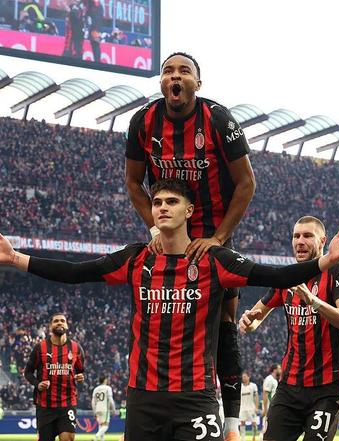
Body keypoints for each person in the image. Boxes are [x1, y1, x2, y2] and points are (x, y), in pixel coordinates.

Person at [0, 178, 339, 441]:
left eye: (171, 201)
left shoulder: (213, 260)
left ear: (189, 210)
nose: (162, 207)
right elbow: (75, 272)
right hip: (144, 397)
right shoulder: (135, 258)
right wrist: (15, 258)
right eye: (157, 202)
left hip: (196, 397)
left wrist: (325, 261)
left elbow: (274, 275)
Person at [125, 51, 256, 440]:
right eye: (168, 71)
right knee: (153, 311)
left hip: (212, 236)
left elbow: (246, 183)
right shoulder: (143, 121)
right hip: (168, 234)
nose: (175, 76)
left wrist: (218, 238)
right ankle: (150, 402)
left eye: (184, 71)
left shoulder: (218, 119)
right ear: (161, 82)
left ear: (198, 83)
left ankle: (230, 422)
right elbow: (133, 181)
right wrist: (154, 228)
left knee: (225, 320)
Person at [240, 216, 339, 441]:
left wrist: (313, 301)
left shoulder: (337, 272)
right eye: (296, 236)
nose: (300, 241)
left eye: (307, 236)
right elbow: (256, 317)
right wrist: (248, 321)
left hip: (328, 388)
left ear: (322, 240)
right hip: (290, 386)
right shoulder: (288, 276)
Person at [23, 313, 86, 441]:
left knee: (68, 438)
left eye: (62, 321)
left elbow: (80, 371)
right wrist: (38, 384)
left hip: (67, 402)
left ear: (67, 325)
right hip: (45, 405)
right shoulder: (40, 348)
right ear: (50, 326)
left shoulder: (76, 348)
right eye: (56, 321)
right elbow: (28, 372)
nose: (59, 323)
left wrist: (80, 377)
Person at [92, 375, 116, 441]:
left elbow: (93, 402)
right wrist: (113, 409)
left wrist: (94, 411)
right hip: (105, 409)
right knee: (105, 426)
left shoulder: (96, 389)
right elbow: (110, 399)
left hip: (97, 409)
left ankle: (102, 440)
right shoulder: (108, 388)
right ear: (105, 380)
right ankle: (96, 437)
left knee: (101, 425)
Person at [238, 372, 259, 441]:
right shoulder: (240, 386)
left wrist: (256, 407)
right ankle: (242, 438)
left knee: (254, 423)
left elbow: (256, 397)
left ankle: (254, 437)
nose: (243, 378)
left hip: (251, 408)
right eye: (243, 377)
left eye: (245, 377)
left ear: (248, 377)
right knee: (242, 423)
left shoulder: (253, 386)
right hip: (242, 408)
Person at [261, 364, 280, 437]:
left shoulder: (274, 380)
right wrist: (265, 409)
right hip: (269, 407)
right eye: (279, 368)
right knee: (266, 428)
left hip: (273, 407)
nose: (280, 370)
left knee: (272, 428)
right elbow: (265, 394)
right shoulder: (269, 379)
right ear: (275, 370)